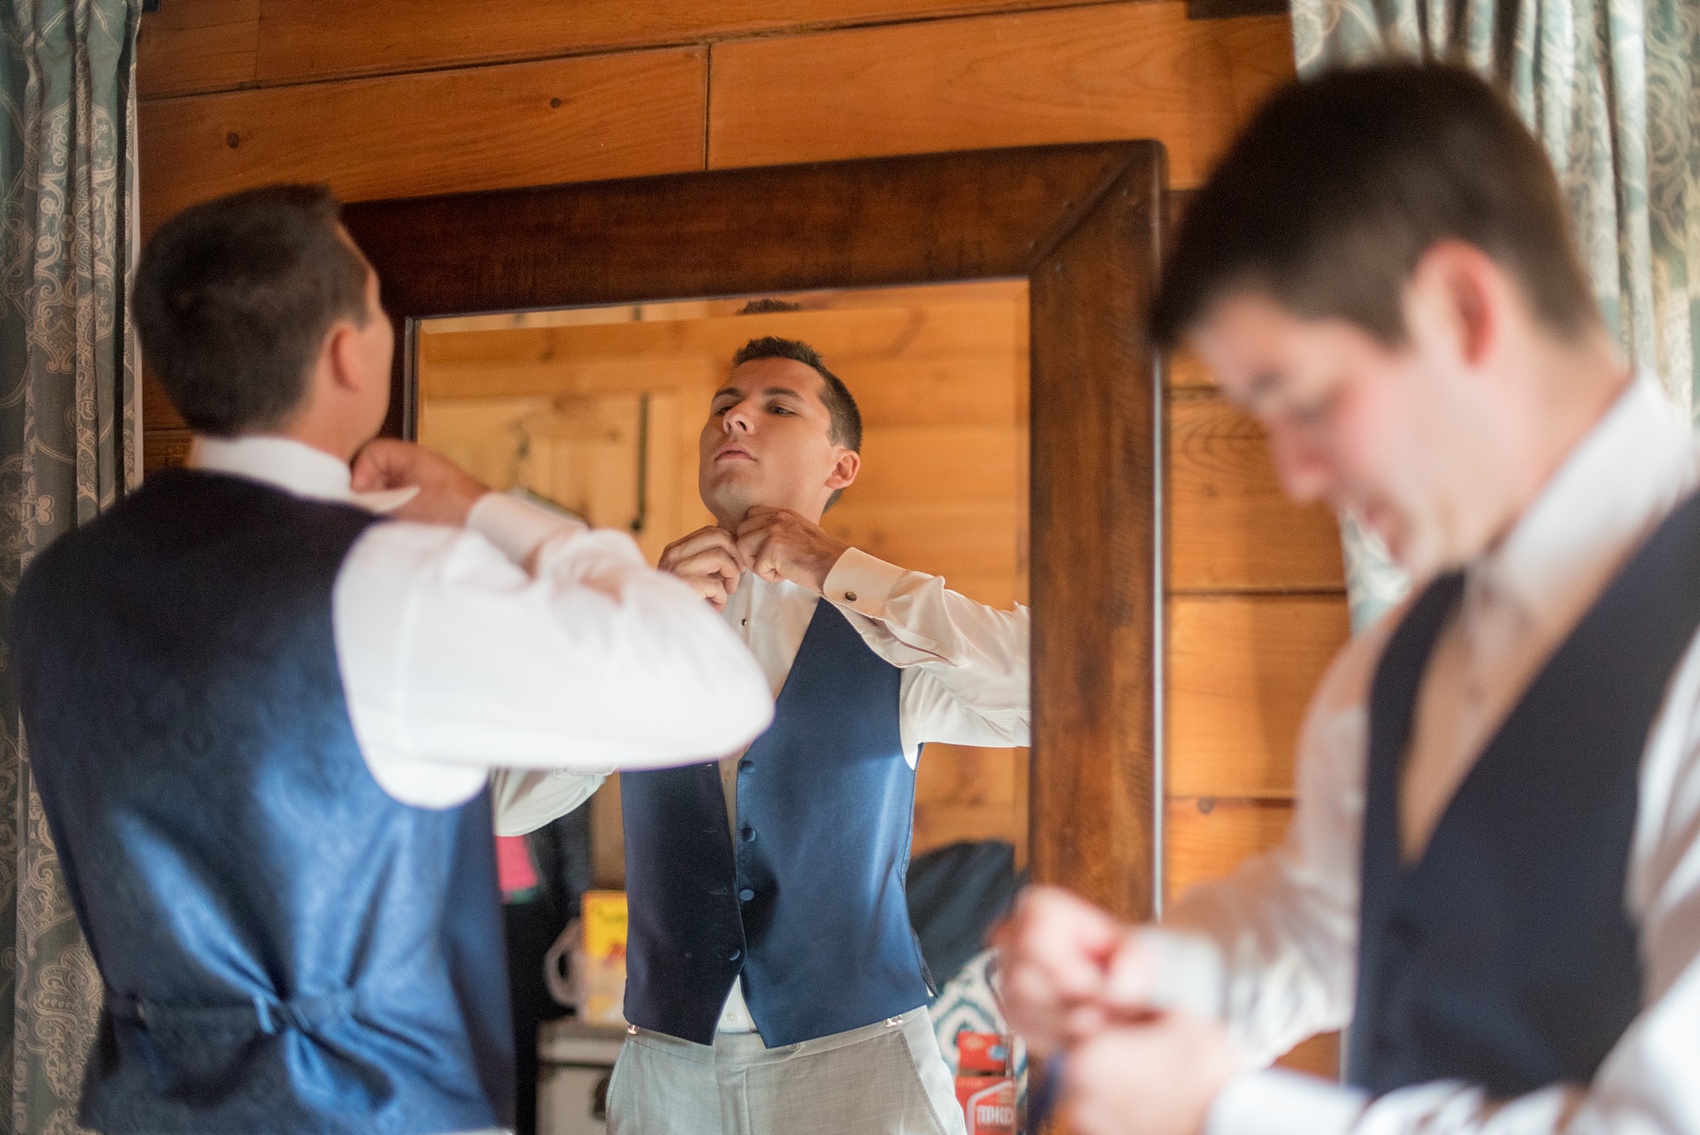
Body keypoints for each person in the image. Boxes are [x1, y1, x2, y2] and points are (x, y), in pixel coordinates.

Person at [994, 62, 1700, 1135]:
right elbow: (1332, 920)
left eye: (1308, 401)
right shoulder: (1400, 663)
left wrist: (1226, 1111)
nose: (1293, 475)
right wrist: (1135, 973)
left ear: (1461, 309)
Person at [8, 184, 774, 1135]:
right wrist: (484, 508)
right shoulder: (392, 578)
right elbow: (719, 689)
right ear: (345, 352)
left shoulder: (56, 587)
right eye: (376, 305)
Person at [600, 335, 1032, 1135]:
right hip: (666, 1068)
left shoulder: (889, 634)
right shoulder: (638, 620)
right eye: (723, 407)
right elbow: (515, 794)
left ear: (840, 467)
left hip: (860, 1066)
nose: (735, 418)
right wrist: (629, 628)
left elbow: (1053, 688)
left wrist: (842, 569)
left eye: (776, 406)